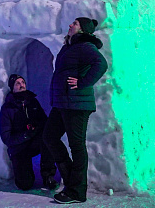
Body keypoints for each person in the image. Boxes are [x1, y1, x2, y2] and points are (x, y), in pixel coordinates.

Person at [43, 17, 108, 204]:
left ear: (83, 29)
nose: (70, 25)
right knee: (49, 137)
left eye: (75, 23)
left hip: (77, 104)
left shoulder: (85, 46)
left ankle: (77, 192)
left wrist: (82, 82)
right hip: (62, 103)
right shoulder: (69, 46)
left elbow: (101, 64)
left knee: (76, 146)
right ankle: (71, 180)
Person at [0, 73, 58, 191]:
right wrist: (26, 135)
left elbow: (44, 121)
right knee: (25, 185)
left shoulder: (32, 102)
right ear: (12, 87)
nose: (22, 85)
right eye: (17, 83)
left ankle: (48, 176)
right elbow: (6, 138)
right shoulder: (7, 108)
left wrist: (36, 128)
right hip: (18, 148)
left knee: (48, 138)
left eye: (23, 82)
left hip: (33, 143)